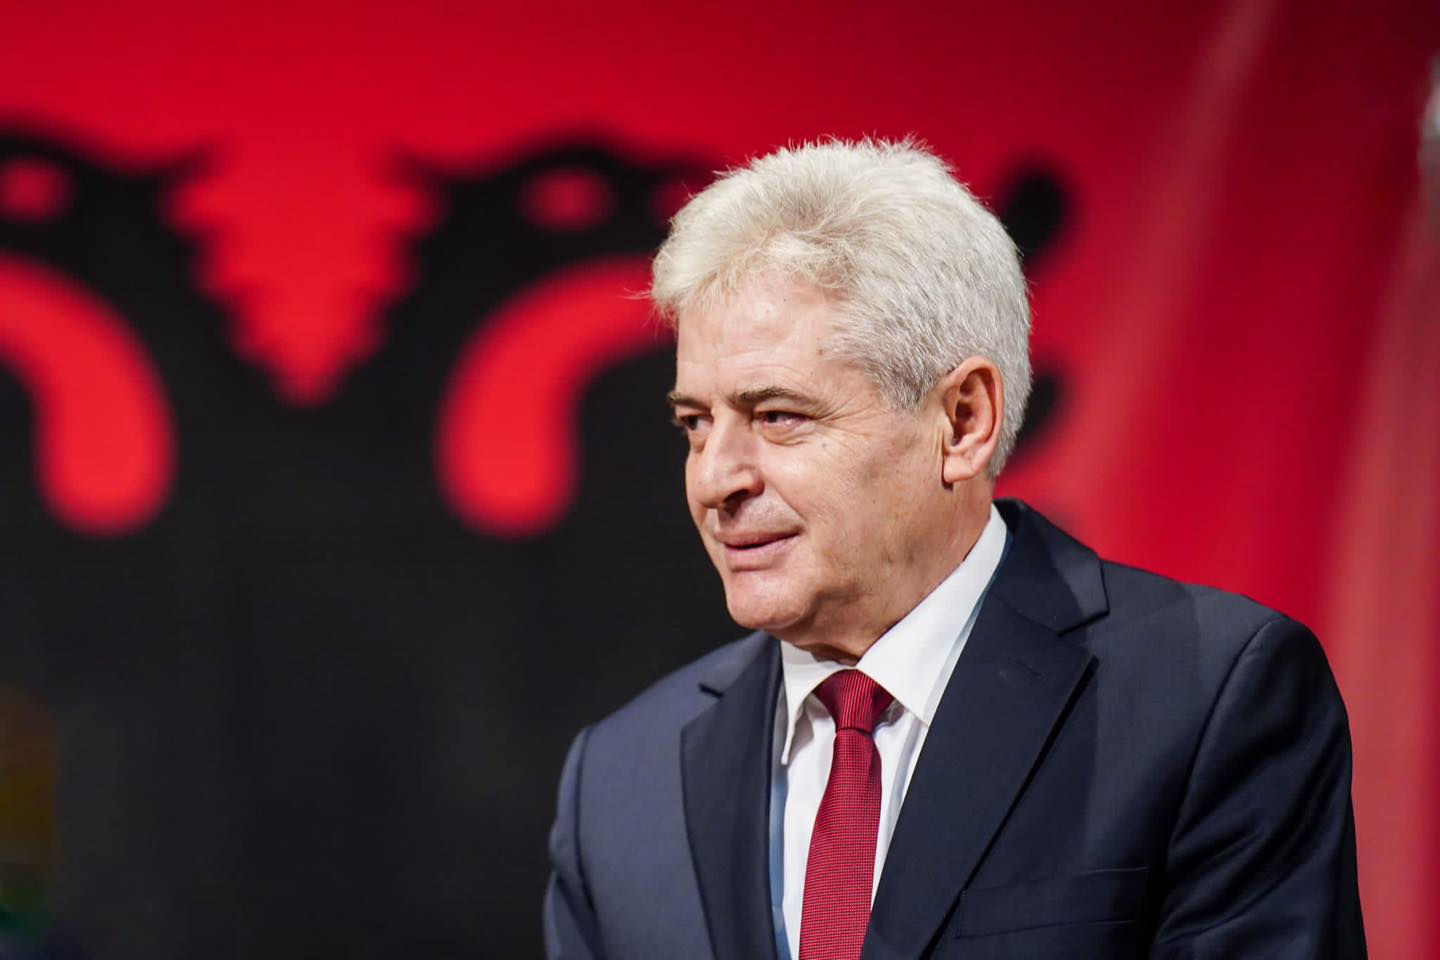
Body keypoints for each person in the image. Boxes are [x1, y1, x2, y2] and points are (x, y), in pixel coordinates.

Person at [543, 138, 1365, 960]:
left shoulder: (1207, 700)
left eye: (778, 416)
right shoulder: (621, 779)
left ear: (964, 421)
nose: (715, 478)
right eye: (695, 423)